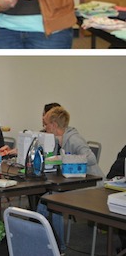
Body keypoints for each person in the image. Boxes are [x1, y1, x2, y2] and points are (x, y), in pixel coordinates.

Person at [38, 106, 104, 253]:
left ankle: (58, 248)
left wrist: (65, 159)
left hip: (92, 187)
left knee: (51, 202)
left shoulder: (74, 139)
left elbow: (91, 158)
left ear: (54, 125)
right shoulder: (59, 141)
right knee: (48, 201)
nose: (45, 127)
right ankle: (44, 242)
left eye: (46, 124)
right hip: (75, 183)